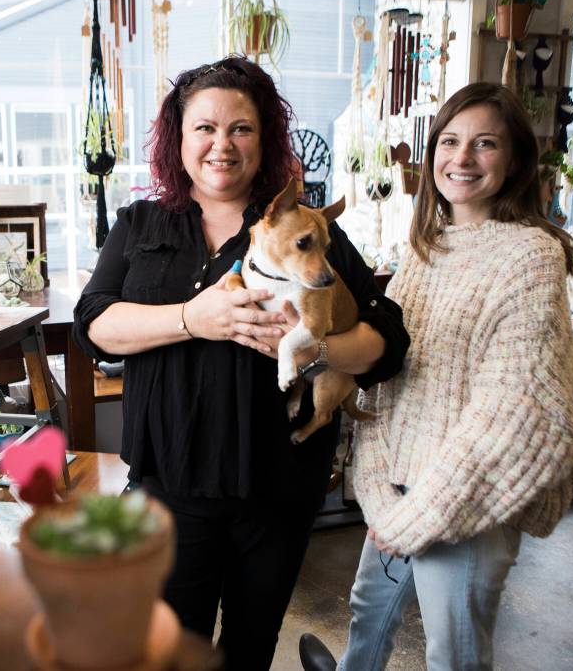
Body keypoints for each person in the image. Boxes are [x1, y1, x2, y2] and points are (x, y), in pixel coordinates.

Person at [72, 56, 410, 670]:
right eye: (204, 128)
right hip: (169, 481)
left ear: (265, 139)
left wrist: (320, 349)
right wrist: (190, 319)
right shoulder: (141, 223)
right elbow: (93, 325)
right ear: (179, 139)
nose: (221, 145)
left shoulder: (297, 228)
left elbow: (388, 337)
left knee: (249, 647)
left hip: (278, 485)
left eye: (241, 129)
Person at [303, 82, 573, 671]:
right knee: (368, 610)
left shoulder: (529, 256)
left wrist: (422, 515)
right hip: (401, 487)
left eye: (484, 144)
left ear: (513, 159)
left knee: (453, 652)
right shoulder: (425, 246)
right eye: (451, 141)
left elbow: (512, 413)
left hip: (468, 503)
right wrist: (381, 486)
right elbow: (395, 379)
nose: (461, 159)